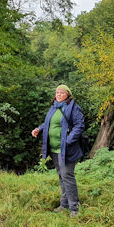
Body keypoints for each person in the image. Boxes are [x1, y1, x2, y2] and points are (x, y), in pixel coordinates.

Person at [31, 84, 85, 217]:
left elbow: (79, 125)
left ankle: (74, 208)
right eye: (57, 92)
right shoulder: (54, 107)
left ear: (68, 94)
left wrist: (68, 140)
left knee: (67, 175)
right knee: (61, 176)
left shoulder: (73, 108)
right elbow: (48, 123)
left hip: (67, 149)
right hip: (54, 148)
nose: (58, 94)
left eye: (61, 92)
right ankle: (64, 204)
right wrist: (39, 129)